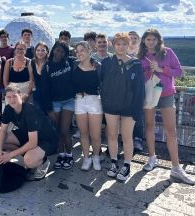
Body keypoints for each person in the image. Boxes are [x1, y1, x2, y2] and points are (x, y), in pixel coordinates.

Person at [139, 29, 194, 185]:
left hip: (166, 95)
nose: (151, 42)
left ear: (159, 40)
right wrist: (148, 71)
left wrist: (161, 69)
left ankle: (176, 168)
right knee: (149, 126)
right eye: (148, 39)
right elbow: (138, 77)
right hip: (149, 94)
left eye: (154, 39)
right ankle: (152, 158)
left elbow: (179, 72)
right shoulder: (141, 57)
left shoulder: (168, 52)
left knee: (171, 130)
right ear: (144, 41)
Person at [100, 32, 145, 182]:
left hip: (129, 107)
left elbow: (140, 89)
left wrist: (137, 110)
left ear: (129, 45)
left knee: (127, 137)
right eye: (118, 43)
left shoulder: (136, 64)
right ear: (113, 45)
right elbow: (100, 82)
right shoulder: (106, 62)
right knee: (112, 136)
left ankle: (126, 164)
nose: (121, 47)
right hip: (111, 105)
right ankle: (113, 163)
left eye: (124, 44)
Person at [0, 84, 58, 180]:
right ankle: (28, 153)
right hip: (28, 134)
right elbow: (3, 130)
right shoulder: (8, 109)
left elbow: (33, 143)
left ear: (20, 95)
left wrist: (10, 155)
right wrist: (0, 151)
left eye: (14, 96)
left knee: (28, 161)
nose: (12, 100)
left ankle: (43, 162)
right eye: (9, 97)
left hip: (47, 140)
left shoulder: (30, 111)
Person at [41, 41, 76, 170]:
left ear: (65, 53)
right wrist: (48, 109)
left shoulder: (70, 62)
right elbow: (45, 90)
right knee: (58, 131)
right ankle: (61, 155)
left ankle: (70, 155)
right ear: (53, 50)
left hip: (69, 101)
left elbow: (85, 61)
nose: (59, 53)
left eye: (62, 51)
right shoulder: (48, 67)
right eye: (57, 50)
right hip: (55, 103)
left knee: (65, 130)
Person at [73, 41, 102, 171]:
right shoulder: (74, 65)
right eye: (77, 51)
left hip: (95, 101)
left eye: (82, 50)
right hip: (79, 101)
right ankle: (86, 157)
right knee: (83, 133)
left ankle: (96, 156)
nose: (79, 53)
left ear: (89, 51)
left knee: (95, 135)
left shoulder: (98, 66)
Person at [31, 42, 49, 112]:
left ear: (47, 51)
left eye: (43, 50)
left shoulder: (50, 63)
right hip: (37, 94)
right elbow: (32, 79)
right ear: (35, 51)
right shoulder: (32, 62)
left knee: (50, 117)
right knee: (40, 115)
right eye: (38, 50)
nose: (40, 52)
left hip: (49, 94)